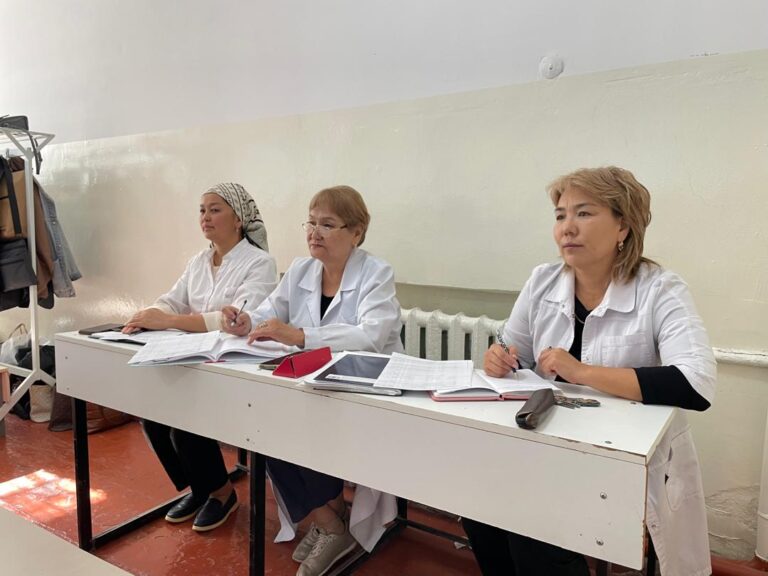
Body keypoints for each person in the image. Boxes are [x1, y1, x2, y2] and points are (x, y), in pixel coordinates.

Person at [463, 167, 716, 576]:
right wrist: (500, 359)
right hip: (545, 444)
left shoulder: (660, 288)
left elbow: (695, 384)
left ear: (623, 226)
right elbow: (515, 351)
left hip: (619, 458)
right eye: (560, 215)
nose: (567, 227)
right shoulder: (542, 280)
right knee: (478, 508)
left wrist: (582, 371)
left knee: (532, 533)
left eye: (583, 213)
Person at [222, 185, 403, 576]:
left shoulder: (376, 273)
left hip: (365, 388)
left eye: (327, 224)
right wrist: (247, 320)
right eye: (311, 222)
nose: (314, 232)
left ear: (356, 232)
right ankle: (331, 522)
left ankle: (332, 525)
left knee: (305, 424)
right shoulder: (302, 270)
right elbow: (270, 311)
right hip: (314, 383)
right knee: (265, 427)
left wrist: (300, 336)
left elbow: (371, 337)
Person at [124, 183, 277, 532]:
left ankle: (222, 493)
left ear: (238, 219)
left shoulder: (260, 263)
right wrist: (149, 314)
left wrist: (169, 321)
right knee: (153, 416)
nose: (205, 217)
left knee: (183, 423)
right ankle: (201, 487)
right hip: (192, 358)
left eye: (215, 209)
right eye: (202, 210)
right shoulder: (199, 261)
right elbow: (172, 300)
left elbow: (233, 321)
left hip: (232, 365)